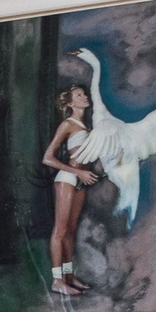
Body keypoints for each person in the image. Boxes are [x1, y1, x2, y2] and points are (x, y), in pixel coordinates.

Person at [40, 83, 99, 296]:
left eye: (84, 94)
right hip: (67, 179)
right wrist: (79, 173)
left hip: (80, 182)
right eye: (79, 95)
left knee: (71, 231)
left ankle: (69, 276)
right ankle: (57, 280)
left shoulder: (87, 127)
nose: (84, 97)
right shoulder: (67, 124)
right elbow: (47, 158)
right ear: (71, 102)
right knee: (60, 230)